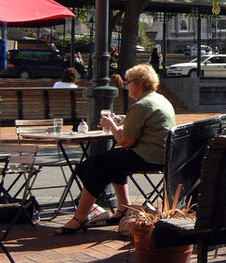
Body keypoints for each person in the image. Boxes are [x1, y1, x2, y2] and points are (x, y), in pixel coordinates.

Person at [55, 63, 176, 235]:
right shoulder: (158, 99)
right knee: (106, 161)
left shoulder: (141, 105)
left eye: (128, 82)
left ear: (139, 83)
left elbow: (126, 142)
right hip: (161, 156)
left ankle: (81, 216)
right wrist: (126, 119)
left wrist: (111, 124)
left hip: (147, 156)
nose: (126, 86)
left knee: (95, 166)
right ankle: (123, 208)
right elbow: (148, 123)